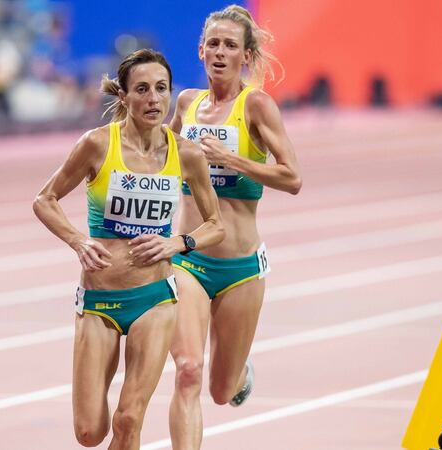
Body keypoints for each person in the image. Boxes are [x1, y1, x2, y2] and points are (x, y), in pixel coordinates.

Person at [32, 49, 224, 449]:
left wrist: (178, 242)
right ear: (123, 96)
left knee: (128, 417)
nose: (153, 99)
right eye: (142, 89)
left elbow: (215, 226)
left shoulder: (185, 153)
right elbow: (44, 200)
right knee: (89, 432)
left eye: (161, 89)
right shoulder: (97, 145)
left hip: (155, 298)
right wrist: (78, 240)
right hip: (99, 300)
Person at [167, 5, 302, 449]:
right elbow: (160, 157)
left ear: (246, 56)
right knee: (187, 370)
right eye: (213, 44)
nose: (220, 53)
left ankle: (240, 370)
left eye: (230, 45)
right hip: (189, 260)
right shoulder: (186, 103)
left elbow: (292, 178)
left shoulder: (257, 106)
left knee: (221, 391)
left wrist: (233, 161)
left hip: (241, 268)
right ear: (201, 51)